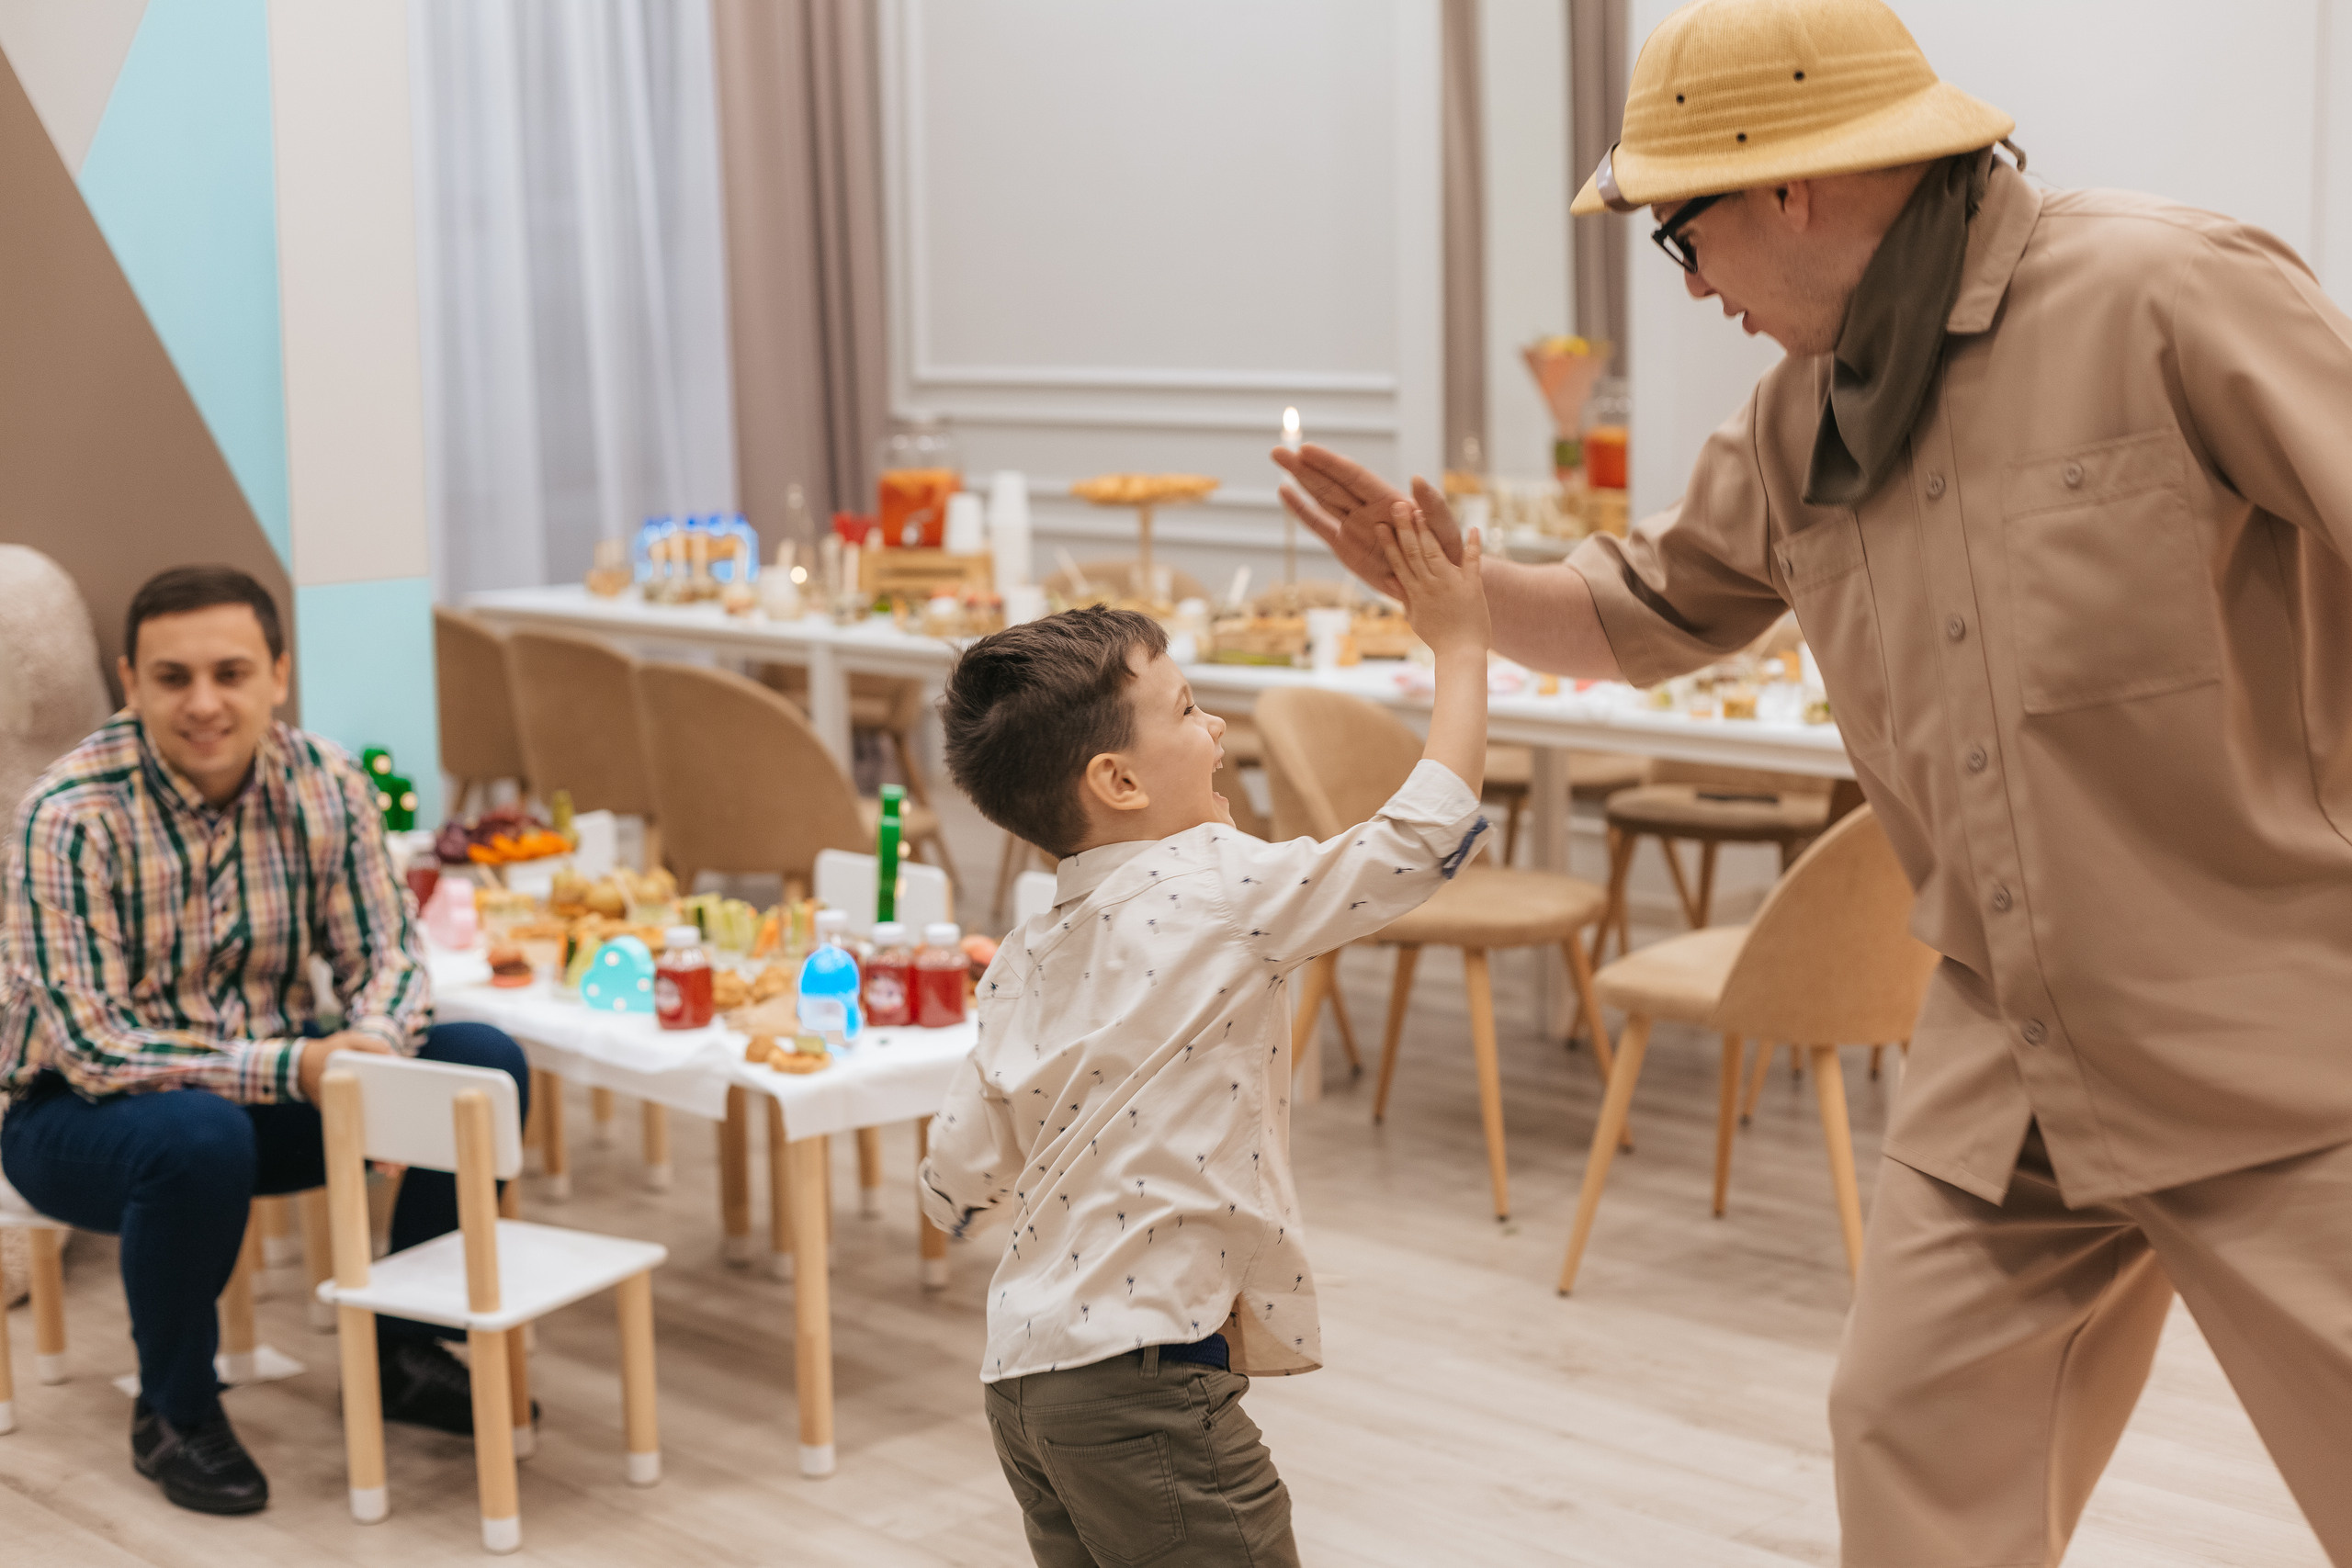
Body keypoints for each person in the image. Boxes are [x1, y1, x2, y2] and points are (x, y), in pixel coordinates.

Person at [1274, 0, 2352, 1561]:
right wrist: (1443, 583)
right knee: (1908, 1435)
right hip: (2009, 1048)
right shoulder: (1798, 422)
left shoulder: (2169, 291)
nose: (1688, 281)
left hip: (2271, 1035)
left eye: (1681, 232)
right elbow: (1636, 614)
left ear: (1788, 183)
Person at [920, 515, 1491, 1567]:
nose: (1216, 726)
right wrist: (1460, 647)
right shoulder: (1223, 887)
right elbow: (1422, 837)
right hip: (1143, 1393)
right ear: (1118, 782)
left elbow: (953, 1183)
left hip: (1024, 1385)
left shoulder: (1022, 954)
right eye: (1186, 710)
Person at [0, 565, 530, 1517]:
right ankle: (174, 1408)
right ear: (131, 681)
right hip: (77, 1120)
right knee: (196, 1134)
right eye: (173, 678)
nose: (204, 703)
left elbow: (389, 958)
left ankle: (402, 1349)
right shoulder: (68, 811)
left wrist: (373, 1043)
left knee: (482, 1063)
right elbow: (94, 1046)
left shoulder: (326, 780)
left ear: (278, 675)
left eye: (231, 672)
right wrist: (305, 1065)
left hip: (272, 1093)